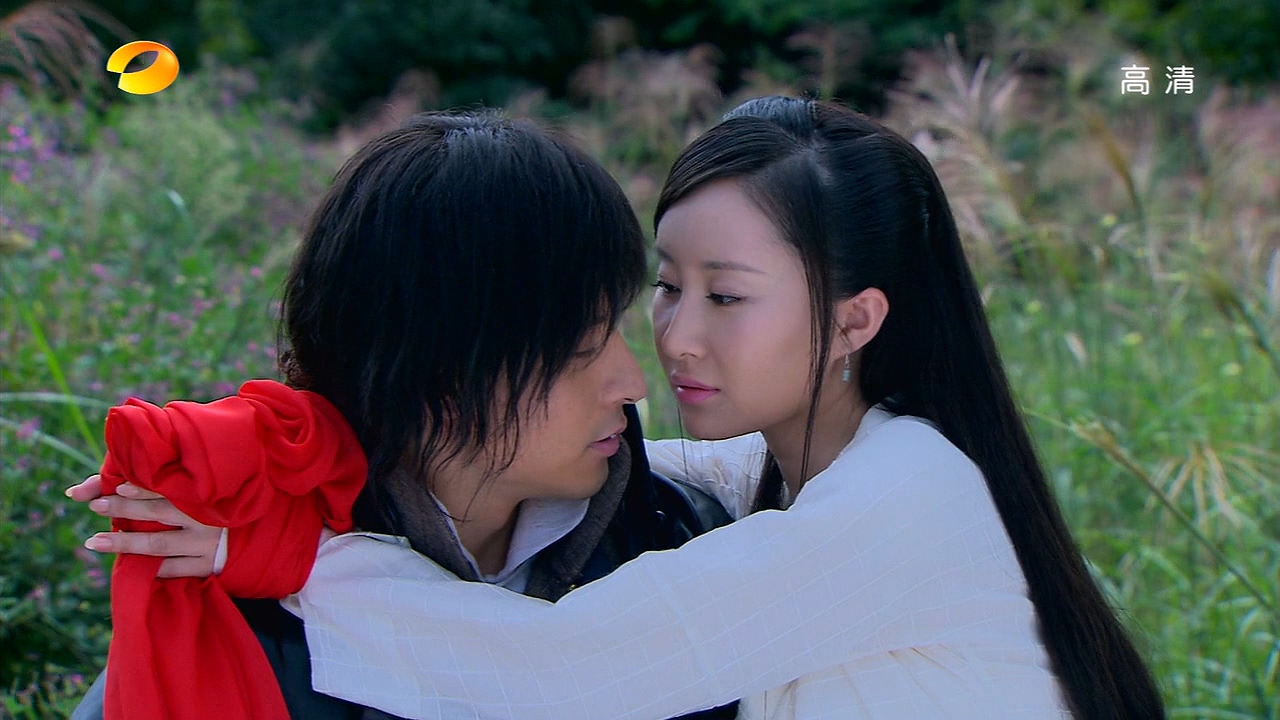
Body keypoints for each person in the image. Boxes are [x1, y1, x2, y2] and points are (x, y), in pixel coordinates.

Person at [79, 97, 1168, 719]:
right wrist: (267, 454)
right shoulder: (777, 486)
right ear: (441, 365)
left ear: (853, 321)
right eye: (666, 286)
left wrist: (284, 552)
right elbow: (685, 468)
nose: (666, 347)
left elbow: (567, 662)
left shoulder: (894, 501)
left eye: (726, 297)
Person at [68, 110, 738, 720]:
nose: (630, 382)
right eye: (577, 347)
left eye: (615, 326)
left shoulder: (681, 540)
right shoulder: (239, 624)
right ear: (433, 362)